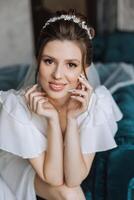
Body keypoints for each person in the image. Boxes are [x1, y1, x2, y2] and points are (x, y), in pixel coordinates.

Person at [0, 9, 122, 200]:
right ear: (38, 60)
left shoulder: (96, 105)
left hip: (53, 170)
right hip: (18, 162)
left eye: (71, 65)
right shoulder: (16, 106)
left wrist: (72, 119)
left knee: (70, 190)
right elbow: (54, 178)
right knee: (68, 194)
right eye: (49, 61)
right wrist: (53, 121)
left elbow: (74, 178)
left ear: (85, 69)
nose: (57, 75)